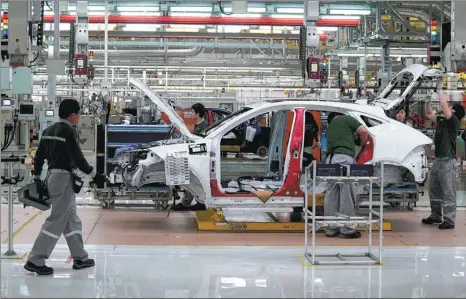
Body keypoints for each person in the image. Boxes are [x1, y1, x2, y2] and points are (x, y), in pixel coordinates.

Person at [25, 99, 107, 275]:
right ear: (72, 115)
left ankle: (80, 257)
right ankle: (35, 260)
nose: (80, 117)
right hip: (63, 179)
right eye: (79, 114)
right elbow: (77, 158)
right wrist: (95, 175)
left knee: (72, 220)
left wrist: (37, 178)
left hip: (53, 177)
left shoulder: (48, 130)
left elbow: (39, 157)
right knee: (56, 220)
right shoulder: (68, 131)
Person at [422, 88, 465, 230]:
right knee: (434, 189)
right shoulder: (442, 121)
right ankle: (436, 215)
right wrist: (427, 99)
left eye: (451, 109)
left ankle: (449, 219)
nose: (449, 110)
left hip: (448, 162)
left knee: (448, 191)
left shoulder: (453, 122)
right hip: (438, 160)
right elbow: (428, 114)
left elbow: (443, 106)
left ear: (454, 112)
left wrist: (439, 90)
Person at [323, 112, 368, 238]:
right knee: (347, 194)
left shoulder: (329, 129)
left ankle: (331, 228)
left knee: (332, 195)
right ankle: (347, 229)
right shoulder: (347, 119)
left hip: (330, 161)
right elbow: (364, 131)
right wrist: (362, 143)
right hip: (344, 160)